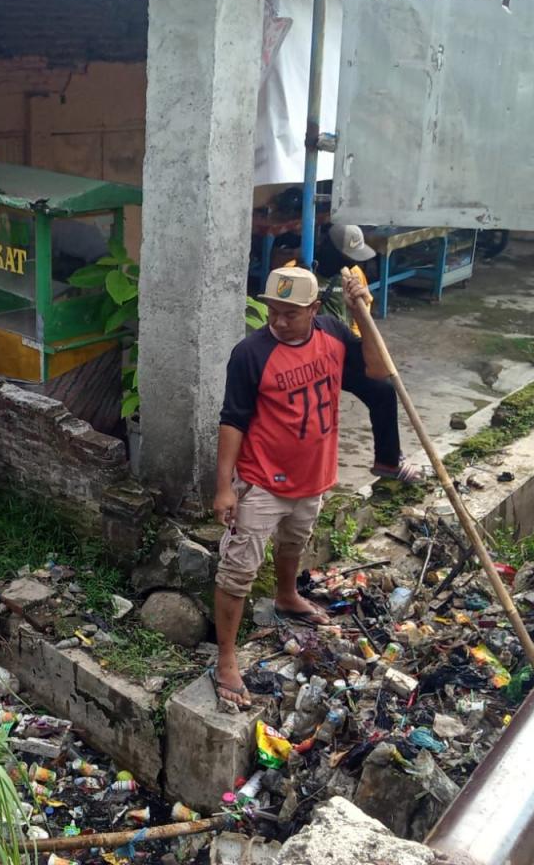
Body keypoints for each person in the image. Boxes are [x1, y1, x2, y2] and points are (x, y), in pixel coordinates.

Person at [210, 266, 389, 708]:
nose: (278, 321)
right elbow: (232, 420)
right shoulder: (250, 354)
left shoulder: (332, 333)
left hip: (313, 474)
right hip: (261, 480)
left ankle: (287, 596)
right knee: (238, 570)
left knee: (295, 540)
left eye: (290, 313)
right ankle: (226, 658)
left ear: (314, 309)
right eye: (273, 310)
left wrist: (360, 313)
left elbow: (379, 369)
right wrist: (224, 487)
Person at [283, 220, 421, 484]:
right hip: (304, 353)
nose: (351, 262)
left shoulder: (354, 275)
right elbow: (279, 316)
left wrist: (361, 341)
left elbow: (361, 318)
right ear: (329, 250)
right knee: (307, 407)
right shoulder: (295, 272)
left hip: (341, 345)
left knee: (382, 390)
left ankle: (388, 461)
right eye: (346, 256)